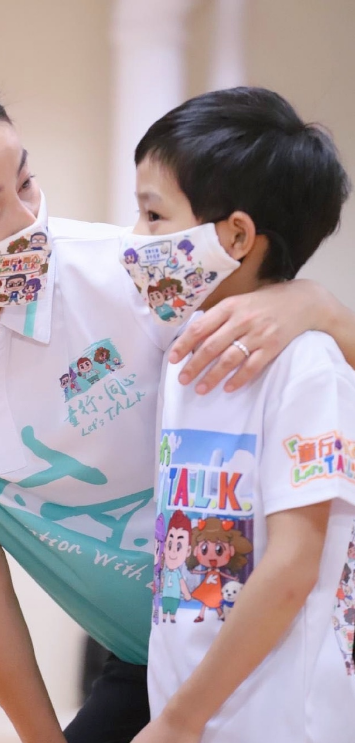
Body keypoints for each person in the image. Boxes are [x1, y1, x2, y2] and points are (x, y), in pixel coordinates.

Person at [0, 71, 355, 743]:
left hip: (272, 660)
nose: (29, 225)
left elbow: (275, 314)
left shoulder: (132, 272)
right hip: (157, 659)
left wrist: (320, 308)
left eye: (25, 183)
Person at [119, 87, 355, 743]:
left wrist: (176, 719)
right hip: (201, 712)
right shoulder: (182, 355)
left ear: (235, 235)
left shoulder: (307, 366)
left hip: (280, 720)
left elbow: (291, 567)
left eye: (153, 215)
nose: (135, 239)